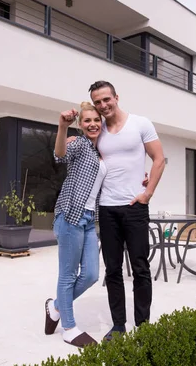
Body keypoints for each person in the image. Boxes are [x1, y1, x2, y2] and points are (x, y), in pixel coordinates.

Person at [88, 80, 166, 341]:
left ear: (116, 97)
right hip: (107, 209)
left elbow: (159, 159)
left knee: (141, 267)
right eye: (97, 102)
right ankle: (119, 325)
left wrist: (148, 192)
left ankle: (143, 325)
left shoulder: (140, 124)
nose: (102, 105)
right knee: (112, 270)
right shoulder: (98, 132)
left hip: (134, 208)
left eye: (106, 99)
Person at [44, 102, 105, 348]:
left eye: (96, 120)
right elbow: (59, 155)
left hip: (90, 219)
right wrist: (62, 126)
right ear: (81, 124)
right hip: (71, 214)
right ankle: (69, 327)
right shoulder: (78, 144)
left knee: (91, 274)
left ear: (102, 123)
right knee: (68, 276)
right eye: (87, 120)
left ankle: (55, 306)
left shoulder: (100, 151)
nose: (92, 124)